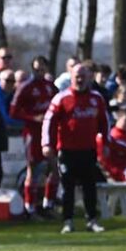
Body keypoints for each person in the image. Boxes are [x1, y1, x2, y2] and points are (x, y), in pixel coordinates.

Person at [42, 63, 108, 234]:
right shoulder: (61, 98)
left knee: (89, 186)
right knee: (68, 187)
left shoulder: (97, 98)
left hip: (89, 149)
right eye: (77, 76)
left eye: (83, 76)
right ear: (71, 77)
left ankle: (91, 220)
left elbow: (104, 122)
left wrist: (106, 143)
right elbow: (48, 122)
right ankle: (68, 221)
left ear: (89, 78)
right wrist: (47, 144)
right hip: (67, 150)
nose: (80, 79)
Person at [10, 55, 59, 217]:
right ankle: (30, 207)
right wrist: (33, 117)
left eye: (42, 69)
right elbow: (13, 112)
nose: (39, 72)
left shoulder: (51, 87)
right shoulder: (25, 87)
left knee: (54, 168)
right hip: (33, 133)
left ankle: (48, 204)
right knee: (33, 169)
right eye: (36, 69)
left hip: (50, 132)